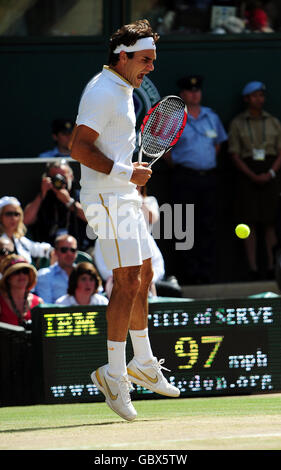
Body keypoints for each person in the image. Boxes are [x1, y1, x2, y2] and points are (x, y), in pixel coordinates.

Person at [70, 19, 180, 422]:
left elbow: (108, 149)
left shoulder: (121, 89)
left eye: (153, 60)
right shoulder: (103, 92)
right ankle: (114, 374)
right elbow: (78, 147)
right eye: (145, 60)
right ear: (123, 55)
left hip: (122, 193)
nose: (150, 67)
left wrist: (127, 172)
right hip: (105, 197)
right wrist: (124, 173)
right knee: (127, 279)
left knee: (145, 273)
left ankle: (144, 362)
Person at [165, 75, 227, 285]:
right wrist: (183, 165)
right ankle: (189, 274)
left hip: (208, 179)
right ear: (182, 94)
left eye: (198, 90)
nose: (195, 93)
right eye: (190, 91)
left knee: (207, 226)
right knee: (185, 226)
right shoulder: (174, 118)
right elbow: (164, 151)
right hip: (184, 179)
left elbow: (218, 144)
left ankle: (206, 273)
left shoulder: (211, 116)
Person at [228, 80, 281, 280]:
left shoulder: (274, 122)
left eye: (261, 95)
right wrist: (251, 175)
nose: (259, 99)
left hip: (271, 174)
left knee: (270, 223)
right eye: (254, 95)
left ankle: (271, 267)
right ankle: (252, 268)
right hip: (247, 175)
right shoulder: (238, 123)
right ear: (247, 99)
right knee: (248, 222)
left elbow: (280, 152)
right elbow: (234, 154)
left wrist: (271, 173)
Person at [23, 159, 89, 250]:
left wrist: (69, 202)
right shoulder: (44, 196)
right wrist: (42, 194)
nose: (59, 181)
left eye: (63, 177)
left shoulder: (81, 196)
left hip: (79, 248)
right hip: (48, 249)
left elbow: (93, 219)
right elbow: (25, 221)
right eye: (55, 177)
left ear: (71, 177)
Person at [0, 196, 52, 264]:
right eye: (9, 214)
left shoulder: (20, 240)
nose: (13, 218)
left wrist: (52, 251)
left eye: (16, 214)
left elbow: (37, 248)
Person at [0, 254, 43, 327]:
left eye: (25, 271)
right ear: (8, 278)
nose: (22, 275)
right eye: (16, 272)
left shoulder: (38, 302)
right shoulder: (1, 302)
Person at [35, 234, 78, 303]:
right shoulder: (44, 275)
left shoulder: (85, 273)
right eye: (64, 250)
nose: (69, 253)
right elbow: (47, 307)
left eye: (73, 250)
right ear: (55, 252)